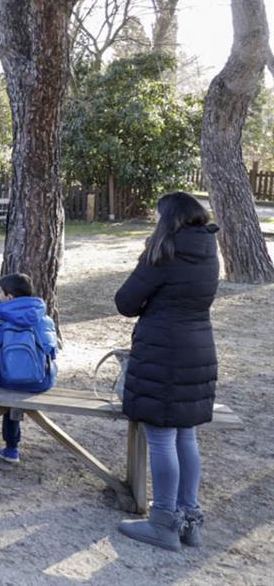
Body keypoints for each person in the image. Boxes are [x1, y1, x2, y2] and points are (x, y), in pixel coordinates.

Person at [114, 192, 219, 551]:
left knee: (160, 438)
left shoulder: (164, 250)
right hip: (199, 347)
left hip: (163, 351)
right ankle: (190, 520)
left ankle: (163, 521)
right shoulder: (209, 250)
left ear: (169, 218)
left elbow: (125, 302)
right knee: (186, 436)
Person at [0, 274, 59, 464]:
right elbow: (52, 352)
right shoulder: (45, 320)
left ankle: (11, 447)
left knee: (12, 381)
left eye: (0, 292)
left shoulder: (0, 322)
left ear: (9, 297)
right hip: (40, 381)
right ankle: (11, 449)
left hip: (7, 380)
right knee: (20, 380)